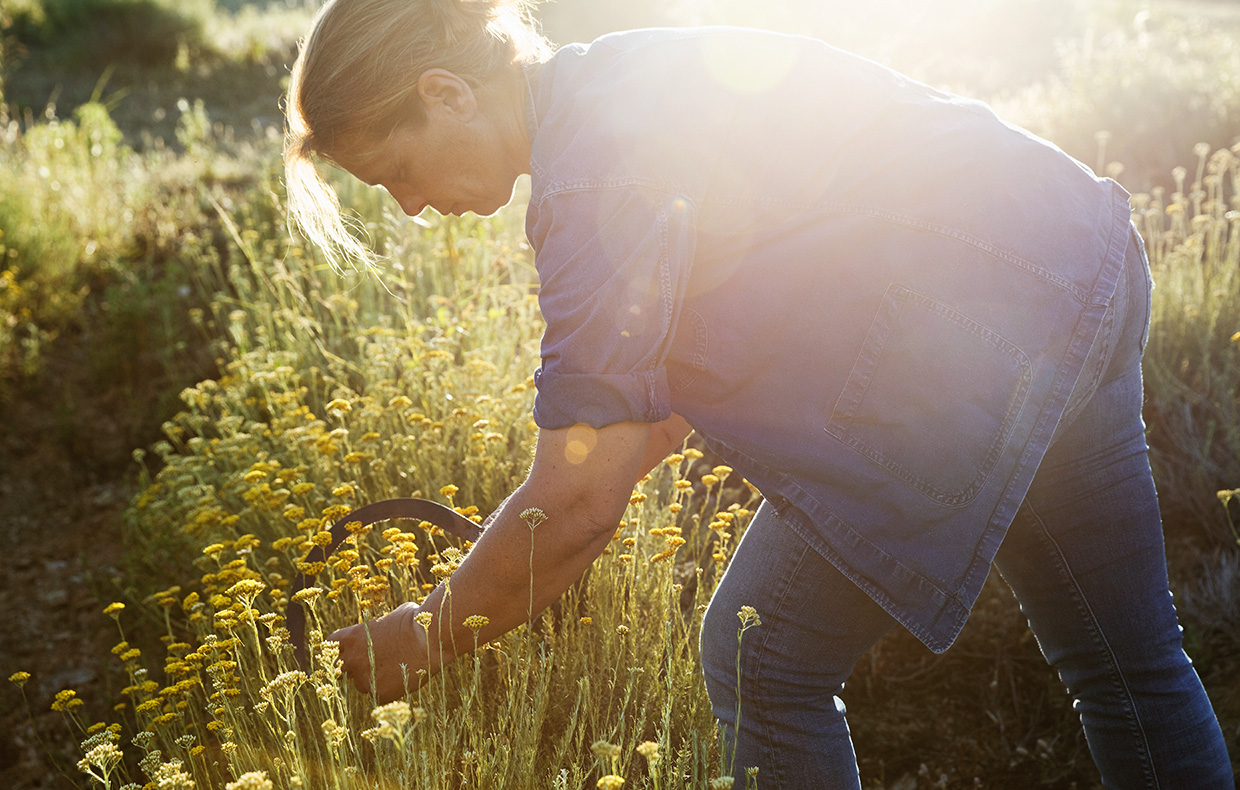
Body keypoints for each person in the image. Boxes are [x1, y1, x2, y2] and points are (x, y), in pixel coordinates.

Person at [282, 1, 1234, 786]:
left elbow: (577, 503)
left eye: (396, 172)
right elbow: (652, 405)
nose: (408, 207)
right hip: (1081, 258)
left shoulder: (590, 178)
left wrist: (432, 633)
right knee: (1129, 664)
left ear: (445, 92)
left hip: (982, 344)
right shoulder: (619, 74)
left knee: (760, 658)